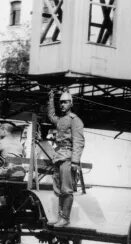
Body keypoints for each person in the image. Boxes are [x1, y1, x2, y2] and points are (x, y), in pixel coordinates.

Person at [46, 89, 85, 227]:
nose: (62, 105)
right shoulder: (61, 120)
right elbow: (51, 116)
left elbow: (79, 142)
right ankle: (60, 218)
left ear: (71, 103)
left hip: (68, 158)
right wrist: (51, 98)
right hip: (58, 158)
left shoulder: (75, 120)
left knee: (67, 190)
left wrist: (75, 161)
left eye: (65, 102)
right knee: (58, 190)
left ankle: (65, 218)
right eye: (61, 102)